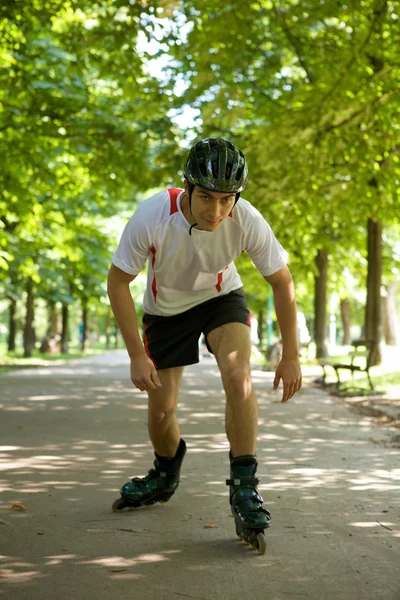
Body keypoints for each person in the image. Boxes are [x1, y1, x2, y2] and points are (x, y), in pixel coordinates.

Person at [107, 138, 302, 552]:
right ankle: (164, 472)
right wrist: (136, 355)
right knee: (162, 411)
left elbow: (283, 283)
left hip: (220, 299)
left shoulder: (245, 218)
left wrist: (291, 355)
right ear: (187, 188)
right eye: (206, 198)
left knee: (238, 377)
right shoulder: (153, 215)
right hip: (166, 312)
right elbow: (118, 281)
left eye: (227, 200)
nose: (216, 211)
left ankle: (245, 487)